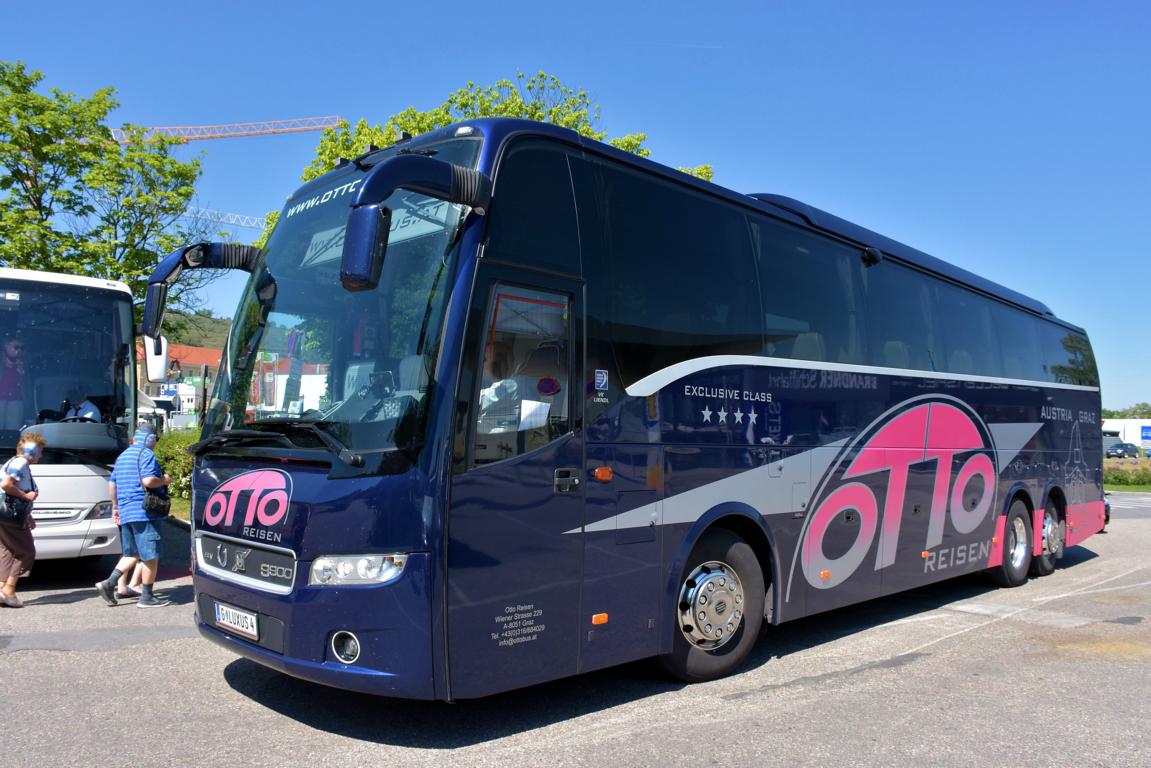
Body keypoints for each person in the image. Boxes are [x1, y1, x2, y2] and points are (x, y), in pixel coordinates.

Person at [94, 426, 171, 608]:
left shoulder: (123, 456)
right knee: (151, 556)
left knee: (132, 553)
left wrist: (116, 507)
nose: (155, 444)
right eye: (156, 440)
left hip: (127, 511)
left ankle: (109, 583)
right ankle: (147, 596)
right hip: (144, 512)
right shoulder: (146, 454)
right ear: (150, 439)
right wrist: (164, 480)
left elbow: (112, 485)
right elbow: (148, 481)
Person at [0, 432, 45, 608]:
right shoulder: (20, 462)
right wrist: (26, 496)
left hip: (7, 514)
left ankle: (1, 588)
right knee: (27, 552)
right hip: (11, 515)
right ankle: (9, 591)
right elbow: (6, 485)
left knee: (7, 551)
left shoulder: (13, 461)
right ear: (31, 451)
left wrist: (28, 515)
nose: (41, 455)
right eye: (40, 451)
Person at [0, 335, 24, 432]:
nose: (19, 350)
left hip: (16, 399)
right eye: (16, 347)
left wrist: (22, 371)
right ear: (6, 346)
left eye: (21, 348)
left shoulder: (22, 362)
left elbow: (26, 384)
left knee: (12, 430)